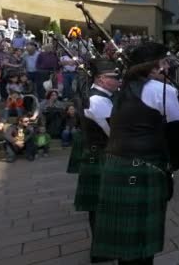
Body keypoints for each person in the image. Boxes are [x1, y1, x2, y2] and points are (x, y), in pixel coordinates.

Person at [91, 43, 179, 264]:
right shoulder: (160, 90)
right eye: (164, 63)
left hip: (115, 166)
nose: (167, 68)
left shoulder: (124, 89)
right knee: (142, 246)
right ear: (153, 68)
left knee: (126, 244)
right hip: (143, 168)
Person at [71, 58, 120, 263]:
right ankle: (101, 250)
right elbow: (114, 133)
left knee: (99, 206)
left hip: (96, 154)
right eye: (114, 77)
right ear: (101, 79)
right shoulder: (99, 101)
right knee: (101, 206)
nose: (118, 80)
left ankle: (102, 248)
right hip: (101, 155)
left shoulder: (101, 97)